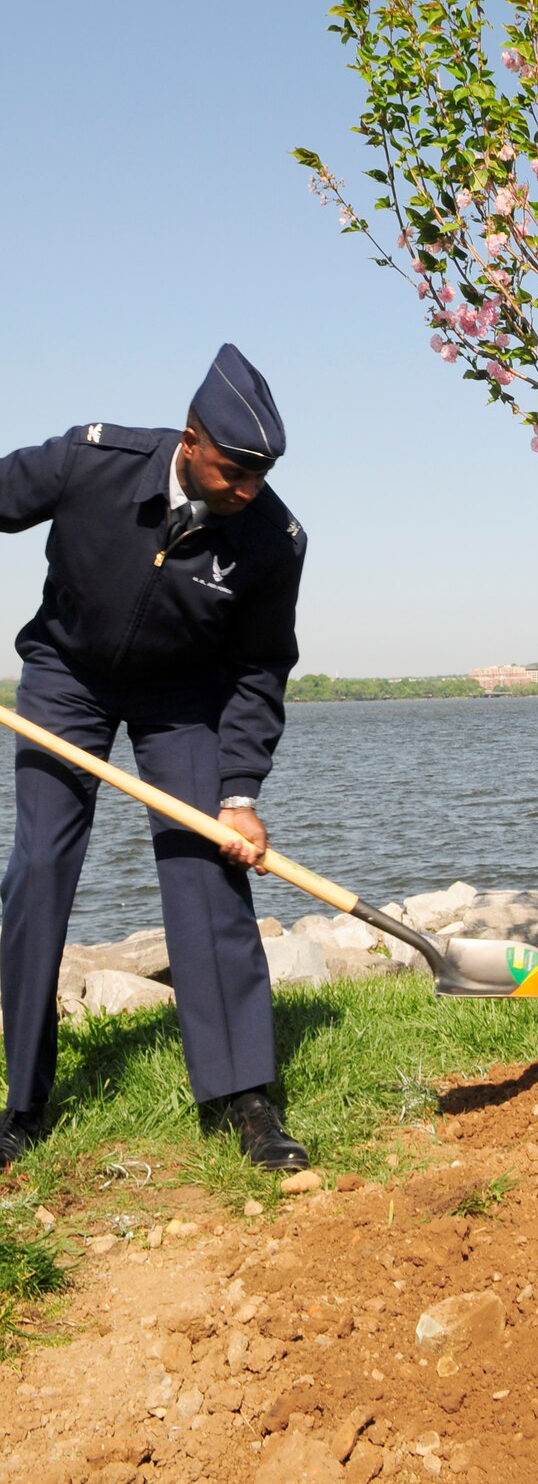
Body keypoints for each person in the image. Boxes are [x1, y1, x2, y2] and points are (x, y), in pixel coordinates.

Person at [0, 345, 309, 1172]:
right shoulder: (90, 460)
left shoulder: (273, 541)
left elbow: (258, 670)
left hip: (183, 699)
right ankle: (23, 1101)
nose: (248, 487)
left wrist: (240, 791)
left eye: (262, 471)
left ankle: (245, 1099)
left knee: (210, 868)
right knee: (38, 869)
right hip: (67, 676)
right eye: (236, 467)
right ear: (191, 438)